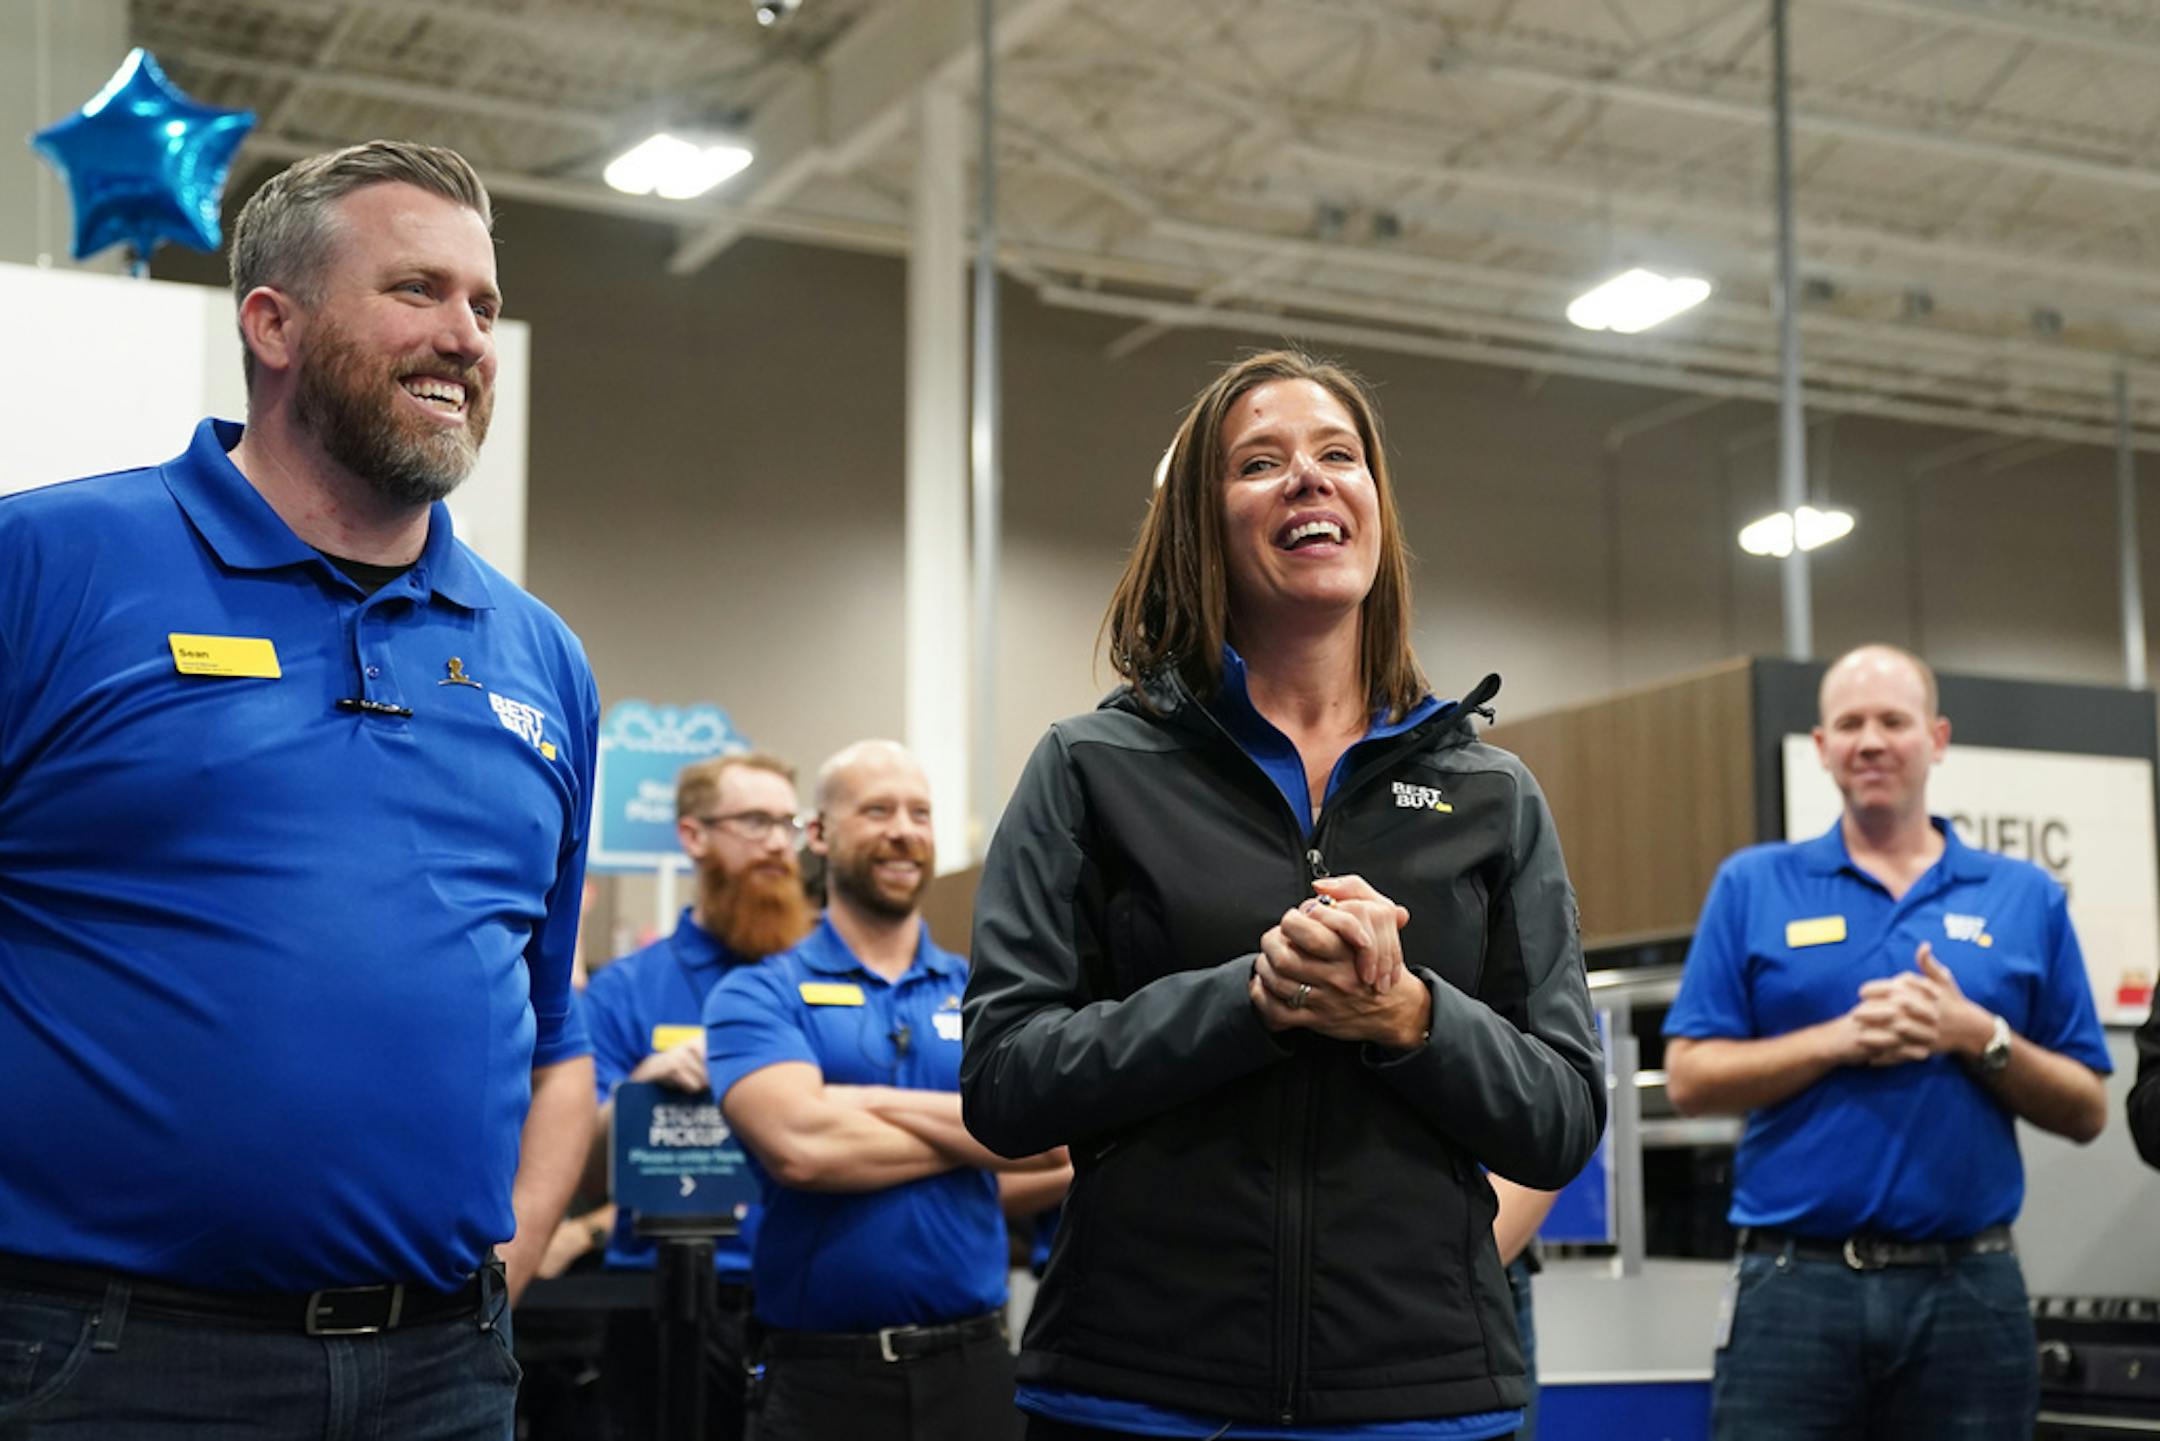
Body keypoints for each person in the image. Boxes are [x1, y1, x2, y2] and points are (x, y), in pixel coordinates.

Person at [0, 141, 598, 1438]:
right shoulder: (43, 569)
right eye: (418, 291)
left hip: (445, 1373)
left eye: (485, 306)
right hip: (107, 1365)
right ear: (271, 322)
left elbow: (558, 1038)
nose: (467, 337)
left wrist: (511, 1266)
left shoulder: (543, 659)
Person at [960, 349, 1606, 1439]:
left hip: (1424, 1399)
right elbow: (1006, 1080)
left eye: (1337, 455)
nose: (1309, 477)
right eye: (1261, 462)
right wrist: (1248, 1001)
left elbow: (1562, 1116)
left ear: (1375, 511)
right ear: (1200, 527)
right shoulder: (1090, 767)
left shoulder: (1491, 794)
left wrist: (1412, 1017)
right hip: (1137, 1394)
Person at [1664, 643, 2111, 1441]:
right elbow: (1691, 1077)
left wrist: (1977, 1034)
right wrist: (1837, 1039)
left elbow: (2087, 1109)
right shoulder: (1753, 883)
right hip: (1792, 1289)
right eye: (1851, 723)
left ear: (1936, 739)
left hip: (1969, 1290)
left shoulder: (2025, 895)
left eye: (1893, 721)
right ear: (1822, 746)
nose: (1872, 740)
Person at [704, 741, 1069, 1441]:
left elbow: (1054, 1145)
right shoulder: (756, 992)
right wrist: (980, 1140)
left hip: (976, 1369)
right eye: (877, 810)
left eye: (920, 813)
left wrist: (852, 1098)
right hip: (820, 1380)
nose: (904, 829)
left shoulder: (987, 994)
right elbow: (800, 1148)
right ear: (818, 833)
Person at [579, 751, 816, 1441]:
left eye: (787, 823)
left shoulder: (822, 982)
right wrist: (641, 1087)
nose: (777, 841)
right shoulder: (627, 988)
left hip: (806, 1309)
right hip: (659, 1309)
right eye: (754, 821)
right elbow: (583, 1172)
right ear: (693, 835)